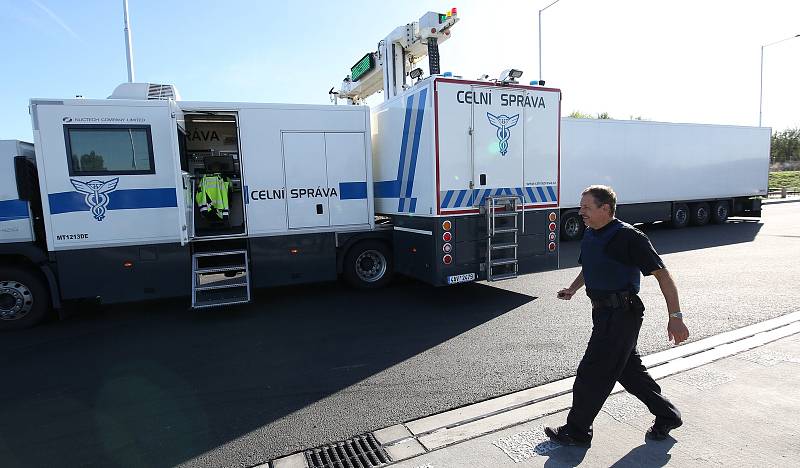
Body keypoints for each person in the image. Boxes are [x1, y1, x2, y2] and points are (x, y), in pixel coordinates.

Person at [545, 185, 690, 448]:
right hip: (602, 313)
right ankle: (668, 415)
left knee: (592, 371)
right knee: (629, 373)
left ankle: (577, 431)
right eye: (581, 206)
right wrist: (573, 289)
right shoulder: (591, 234)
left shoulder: (629, 237)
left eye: (587, 207)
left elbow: (663, 275)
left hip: (622, 314)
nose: (581, 212)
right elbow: (590, 267)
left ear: (606, 209)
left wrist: (676, 316)